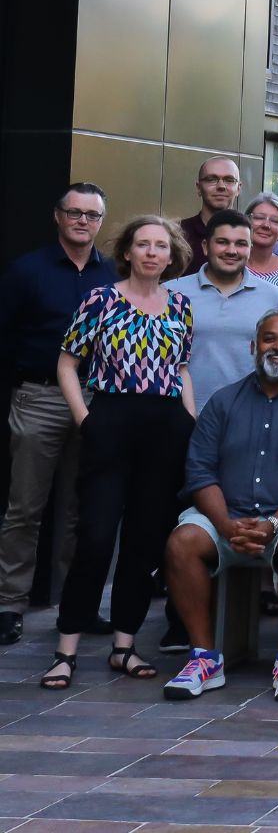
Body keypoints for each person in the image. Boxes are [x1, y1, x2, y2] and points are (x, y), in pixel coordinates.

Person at [159, 310, 278, 702]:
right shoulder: (224, 401)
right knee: (182, 542)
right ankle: (205, 658)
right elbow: (200, 471)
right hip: (228, 513)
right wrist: (226, 525)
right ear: (253, 347)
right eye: (269, 339)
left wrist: (274, 522)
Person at [42, 216, 195, 691]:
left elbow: (181, 369)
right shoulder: (101, 300)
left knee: (145, 542)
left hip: (166, 426)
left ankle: (124, 646)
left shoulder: (182, 306)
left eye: (161, 246)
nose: (152, 252)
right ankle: (66, 651)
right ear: (127, 251)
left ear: (172, 256)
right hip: (110, 420)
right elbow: (68, 363)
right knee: (96, 536)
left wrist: (189, 422)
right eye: (143, 244)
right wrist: (86, 419)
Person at [0, 183, 110, 647]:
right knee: (25, 508)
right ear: (58, 217)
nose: (83, 221)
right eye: (75, 213)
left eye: (92, 214)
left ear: (101, 221)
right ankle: (9, 605)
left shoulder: (115, 273)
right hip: (41, 398)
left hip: (96, 400)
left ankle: (74, 607)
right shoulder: (27, 271)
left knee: (78, 512)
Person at [163, 209, 278, 399]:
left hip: (249, 413)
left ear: (250, 248)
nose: (232, 251)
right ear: (205, 246)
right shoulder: (172, 293)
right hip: (185, 413)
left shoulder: (271, 296)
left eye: (241, 244)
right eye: (222, 242)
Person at [179, 157, 243, 275]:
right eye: (212, 179)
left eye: (229, 180)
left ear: (238, 188)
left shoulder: (250, 235)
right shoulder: (176, 235)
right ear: (198, 188)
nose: (221, 186)